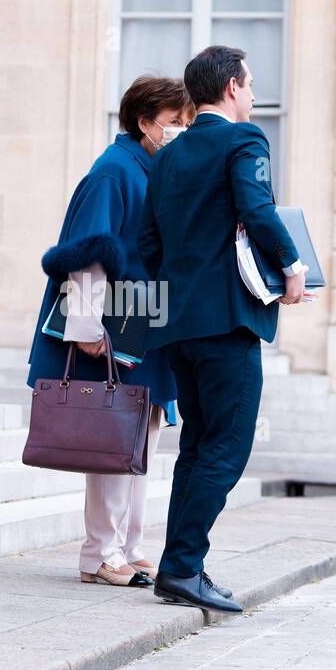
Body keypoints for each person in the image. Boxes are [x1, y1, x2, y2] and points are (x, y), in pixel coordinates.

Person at [137, 45, 307, 613]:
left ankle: (177, 567)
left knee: (197, 447)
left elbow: (149, 244)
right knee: (227, 447)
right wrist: (293, 265)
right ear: (232, 87)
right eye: (252, 84)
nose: (255, 95)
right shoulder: (244, 141)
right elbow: (257, 210)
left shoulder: (167, 154)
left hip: (178, 323)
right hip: (228, 320)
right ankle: (183, 567)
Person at [25, 75, 193, 587]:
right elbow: (88, 251)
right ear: (144, 122)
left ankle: (130, 546)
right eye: (174, 123)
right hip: (112, 323)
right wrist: (83, 325)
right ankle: (99, 553)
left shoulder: (150, 168)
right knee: (113, 434)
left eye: (187, 122)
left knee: (144, 431)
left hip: (145, 318)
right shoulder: (114, 171)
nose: (182, 131)